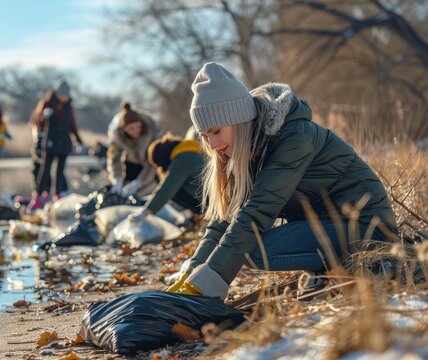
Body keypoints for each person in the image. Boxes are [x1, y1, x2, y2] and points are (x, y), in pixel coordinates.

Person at [167, 62, 398, 298]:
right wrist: (191, 275)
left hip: (368, 228)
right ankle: (332, 270)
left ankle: (364, 265)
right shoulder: (244, 149)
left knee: (255, 250)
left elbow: (257, 212)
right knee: (244, 243)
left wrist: (209, 283)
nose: (213, 145)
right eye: (205, 137)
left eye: (216, 131)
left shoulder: (294, 137)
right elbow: (223, 221)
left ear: (239, 119)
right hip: (326, 225)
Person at [30, 79, 83, 205]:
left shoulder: (69, 107)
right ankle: (37, 197)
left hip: (64, 143)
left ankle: (59, 196)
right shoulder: (47, 104)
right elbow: (37, 123)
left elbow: (72, 125)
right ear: (57, 93)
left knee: (60, 172)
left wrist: (78, 140)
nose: (64, 97)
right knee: (45, 170)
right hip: (50, 143)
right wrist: (44, 117)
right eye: (62, 94)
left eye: (66, 95)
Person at [129, 133, 203, 222]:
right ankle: (197, 215)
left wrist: (146, 211)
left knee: (175, 189)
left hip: (212, 201)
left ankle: (203, 212)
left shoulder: (182, 160)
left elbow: (166, 189)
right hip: (214, 195)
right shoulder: (189, 151)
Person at [107, 102, 162, 197]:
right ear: (124, 130)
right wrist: (117, 179)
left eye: (138, 127)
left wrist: (139, 182)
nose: (136, 130)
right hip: (130, 162)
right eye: (131, 129)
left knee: (146, 190)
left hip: (149, 162)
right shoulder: (117, 135)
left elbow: (156, 159)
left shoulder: (151, 129)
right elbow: (114, 158)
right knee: (122, 191)